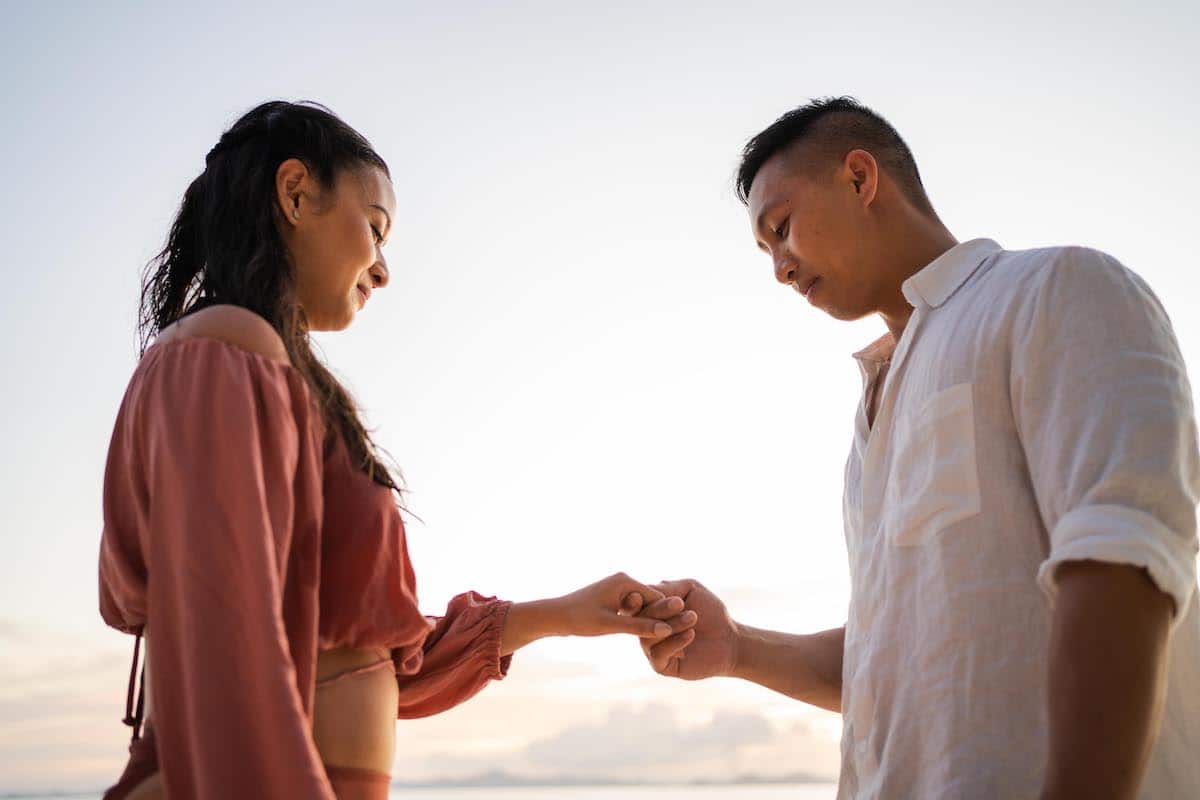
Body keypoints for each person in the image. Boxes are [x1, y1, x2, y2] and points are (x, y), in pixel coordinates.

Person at [97, 100, 698, 800]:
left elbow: (381, 662)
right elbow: (225, 640)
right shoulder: (222, 353)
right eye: (375, 230)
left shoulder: (267, 371)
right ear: (296, 193)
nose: (382, 270)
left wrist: (565, 614)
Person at [638, 97, 1200, 799]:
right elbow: (897, 663)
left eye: (781, 229)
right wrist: (740, 649)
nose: (780, 268)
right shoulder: (870, 418)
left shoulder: (1055, 289)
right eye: (765, 252)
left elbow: (1123, 563)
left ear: (859, 178)